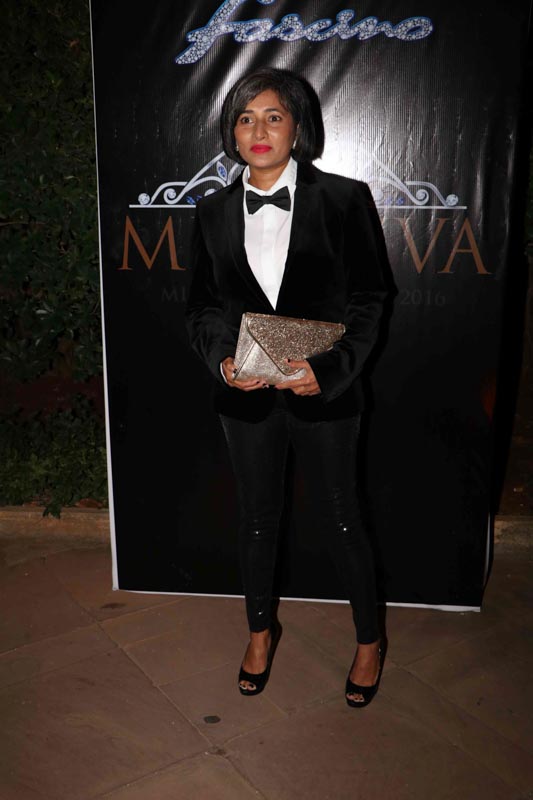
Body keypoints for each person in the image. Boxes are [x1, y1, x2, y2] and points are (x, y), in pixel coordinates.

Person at [186, 67, 390, 708]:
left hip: (325, 392)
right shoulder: (211, 211)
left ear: (297, 128)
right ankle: (259, 633)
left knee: (344, 519)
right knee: (255, 520)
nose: (259, 129)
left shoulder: (344, 199)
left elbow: (370, 297)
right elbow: (202, 308)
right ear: (232, 133)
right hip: (244, 396)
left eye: (273, 116)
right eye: (245, 118)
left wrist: (329, 370)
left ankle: (369, 641)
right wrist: (224, 363)